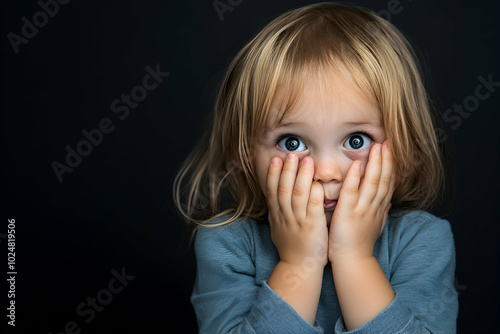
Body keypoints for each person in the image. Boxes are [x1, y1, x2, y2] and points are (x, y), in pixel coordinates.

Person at [173, 2, 458, 333]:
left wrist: (355, 259)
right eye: (292, 142)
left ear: (411, 152)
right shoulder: (227, 245)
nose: (325, 171)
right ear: (243, 154)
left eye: (356, 140)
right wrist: (298, 264)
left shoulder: (421, 241)